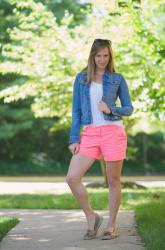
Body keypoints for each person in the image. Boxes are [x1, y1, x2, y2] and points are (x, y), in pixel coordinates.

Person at [66, 38, 133, 240]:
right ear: (92, 56)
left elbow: (129, 108)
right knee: (72, 177)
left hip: (113, 132)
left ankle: (112, 225)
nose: (102, 60)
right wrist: (73, 138)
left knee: (113, 180)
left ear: (109, 56)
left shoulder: (117, 78)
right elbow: (76, 110)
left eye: (106, 55)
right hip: (90, 134)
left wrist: (111, 108)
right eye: (98, 56)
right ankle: (91, 216)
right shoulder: (81, 78)